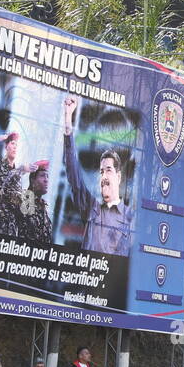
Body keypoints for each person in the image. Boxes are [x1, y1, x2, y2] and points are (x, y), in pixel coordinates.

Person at [61, 96, 134, 256]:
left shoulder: (130, 217)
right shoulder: (92, 207)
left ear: (119, 176)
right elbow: (73, 174)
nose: (103, 177)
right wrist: (68, 121)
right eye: (101, 171)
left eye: (108, 170)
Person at [0, 132, 29, 236]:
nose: (15, 147)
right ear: (6, 146)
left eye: (17, 145)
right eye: (13, 144)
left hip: (12, 228)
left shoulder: (19, 173)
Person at [17, 160, 53, 246]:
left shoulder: (43, 206)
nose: (46, 180)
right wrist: (21, 169)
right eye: (42, 176)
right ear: (33, 180)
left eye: (47, 176)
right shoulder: (28, 199)